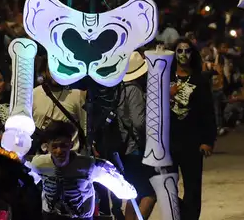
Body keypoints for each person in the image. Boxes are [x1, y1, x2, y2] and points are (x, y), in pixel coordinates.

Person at [31, 121, 136, 220]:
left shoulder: (88, 165)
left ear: (71, 145)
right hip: (51, 217)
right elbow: (28, 179)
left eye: (64, 145)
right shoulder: (39, 164)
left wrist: (127, 191)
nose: (59, 151)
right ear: (47, 147)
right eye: (54, 146)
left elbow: (117, 182)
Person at [170, 40, 216, 220]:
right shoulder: (165, 77)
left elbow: (208, 111)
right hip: (169, 141)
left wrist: (208, 140)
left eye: (187, 51)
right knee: (166, 186)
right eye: (179, 50)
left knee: (193, 188)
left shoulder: (199, 79)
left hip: (192, 141)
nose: (183, 54)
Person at [111, 52, 156, 220]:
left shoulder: (118, 89)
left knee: (135, 193)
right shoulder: (134, 89)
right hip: (135, 147)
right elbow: (139, 122)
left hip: (122, 148)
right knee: (149, 194)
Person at [31, 55, 87, 154]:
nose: (55, 73)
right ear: (45, 71)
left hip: (70, 157)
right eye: (51, 69)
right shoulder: (34, 93)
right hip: (40, 156)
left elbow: (85, 127)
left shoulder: (77, 95)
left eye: (59, 69)